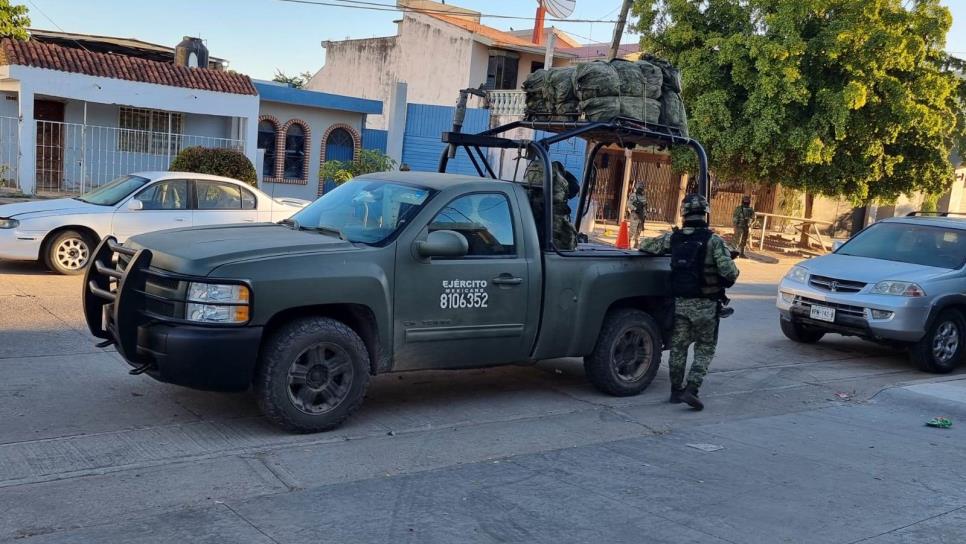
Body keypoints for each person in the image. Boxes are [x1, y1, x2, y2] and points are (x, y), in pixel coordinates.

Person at [639, 194, 739, 410]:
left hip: (680, 305)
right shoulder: (714, 241)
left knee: (678, 348)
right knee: (705, 348)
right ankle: (691, 389)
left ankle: (676, 391)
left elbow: (646, 245)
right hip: (706, 306)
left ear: (683, 213)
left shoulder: (673, 238)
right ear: (705, 213)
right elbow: (730, 273)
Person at [524, 160, 579, 251]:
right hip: (552, 233)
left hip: (532, 220)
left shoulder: (534, 170)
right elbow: (575, 189)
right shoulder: (560, 179)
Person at [626, 182, 647, 247]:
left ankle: (636, 243)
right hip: (635, 215)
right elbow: (628, 204)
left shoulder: (643, 197)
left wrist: (645, 215)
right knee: (633, 229)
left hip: (641, 215)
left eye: (642, 188)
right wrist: (635, 208)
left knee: (639, 230)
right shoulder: (633, 195)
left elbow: (645, 206)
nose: (641, 189)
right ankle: (628, 242)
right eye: (640, 188)